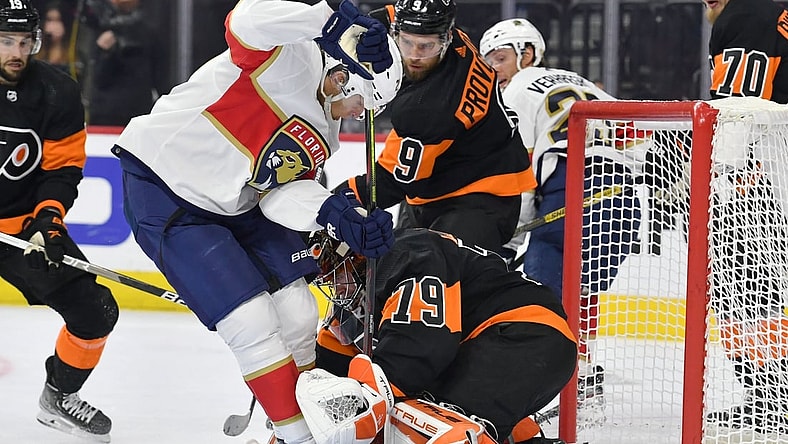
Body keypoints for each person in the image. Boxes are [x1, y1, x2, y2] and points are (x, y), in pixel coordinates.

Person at [112, 0, 398, 442]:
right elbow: (243, 20)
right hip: (167, 189)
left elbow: (277, 194)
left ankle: (295, 420)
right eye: (363, 101)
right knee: (252, 323)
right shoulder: (290, 54)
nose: (361, 114)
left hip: (239, 203)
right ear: (344, 76)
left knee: (301, 315)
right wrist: (326, 21)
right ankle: (298, 436)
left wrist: (336, 215)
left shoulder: (326, 133)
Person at [479, 18, 645, 424]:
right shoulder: (589, 85)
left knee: (539, 299)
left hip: (571, 187)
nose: (493, 71)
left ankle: (551, 387)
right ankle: (581, 384)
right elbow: (643, 137)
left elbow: (520, 173)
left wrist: (507, 239)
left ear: (527, 55)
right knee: (580, 295)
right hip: (625, 200)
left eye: (500, 59)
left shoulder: (516, 89)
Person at [303, 228, 575, 444]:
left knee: (413, 424)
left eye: (333, 274)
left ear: (354, 255)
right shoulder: (363, 294)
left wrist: (367, 395)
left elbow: (420, 349)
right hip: (503, 345)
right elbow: (329, 365)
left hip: (523, 333)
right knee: (420, 413)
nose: (335, 287)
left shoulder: (405, 252)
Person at [0, 0, 119, 442]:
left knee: (95, 312)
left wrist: (47, 221)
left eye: (24, 42)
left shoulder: (57, 90)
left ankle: (58, 398)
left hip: (20, 230)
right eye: (6, 41)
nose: (16, 51)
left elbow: (62, 168)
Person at [337, 0, 537, 256]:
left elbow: (390, 184)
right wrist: (360, 27)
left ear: (446, 38)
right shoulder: (454, 40)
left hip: (483, 194)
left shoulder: (429, 108)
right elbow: (393, 14)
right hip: (436, 179)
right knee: (394, 273)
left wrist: (339, 198)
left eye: (426, 46)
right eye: (407, 42)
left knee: (438, 276)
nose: (414, 55)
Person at [702, 0, 788, 433]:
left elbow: (738, 104)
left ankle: (770, 396)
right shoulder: (775, 12)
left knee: (744, 287)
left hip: (758, 173)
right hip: (773, 167)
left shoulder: (744, 15)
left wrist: (722, 171)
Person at [86, 0, 168, 126]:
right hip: (106, 114)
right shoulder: (98, 28)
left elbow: (161, 77)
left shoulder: (149, 31)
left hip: (139, 112)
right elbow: (98, 78)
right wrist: (105, 52)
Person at [35, 2, 70, 73]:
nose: (54, 26)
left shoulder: (74, 55)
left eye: (58, 20)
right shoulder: (35, 54)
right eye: (49, 20)